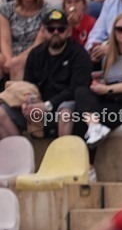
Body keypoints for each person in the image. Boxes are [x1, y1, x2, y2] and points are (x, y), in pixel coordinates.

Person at [0, 9, 91, 141]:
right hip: (39, 106)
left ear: (68, 31)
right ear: (43, 31)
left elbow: (76, 89)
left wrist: (47, 105)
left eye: (60, 29)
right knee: (1, 112)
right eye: (51, 29)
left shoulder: (79, 55)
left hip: (64, 106)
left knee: (65, 112)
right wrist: (28, 102)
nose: (55, 33)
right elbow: (28, 85)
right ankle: (23, 155)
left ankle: (64, 157)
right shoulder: (36, 54)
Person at [77, 12, 122, 147]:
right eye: (119, 29)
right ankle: (94, 127)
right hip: (113, 101)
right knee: (81, 93)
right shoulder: (109, 57)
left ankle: (90, 162)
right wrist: (99, 84)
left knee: (93, 116)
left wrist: (107, 89)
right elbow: (106, 80)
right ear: (114, 33)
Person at [0, 0, 56, 81]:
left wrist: (16, 61)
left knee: (18, 64)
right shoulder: (6, 10)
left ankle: (14, 96)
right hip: (11, 54)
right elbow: (5, 40)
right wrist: (8, 60)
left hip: (36, 53)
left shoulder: (48, 11)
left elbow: (39, 42)